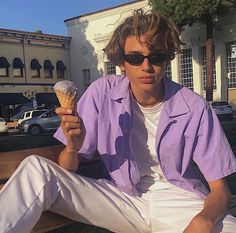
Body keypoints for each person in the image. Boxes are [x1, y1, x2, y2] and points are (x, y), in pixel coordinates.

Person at [0, 9, 236, 233]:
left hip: (177, 200)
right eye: (134, 57)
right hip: (123, 197)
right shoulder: (102, 93)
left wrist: (204, 220)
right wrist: (72, 147)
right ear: (121, 62)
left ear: (167, 58)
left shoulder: (193, 107)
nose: (146, 66)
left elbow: (221, 191)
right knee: (36, 168)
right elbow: (67, 169)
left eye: (156, 56)